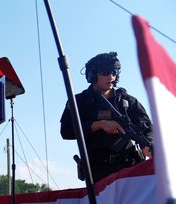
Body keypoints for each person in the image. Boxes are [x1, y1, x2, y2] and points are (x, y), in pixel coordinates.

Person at [60, 52, 152, 182]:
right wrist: (97, 125)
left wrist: (148, 145)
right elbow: (66, 131)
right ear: (92, 76)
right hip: (99, 172)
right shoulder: (79, 102)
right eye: (104, 73)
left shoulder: (128, 101)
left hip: (130, 167)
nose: (110, 77)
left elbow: (148, 127)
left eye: (114, 73)